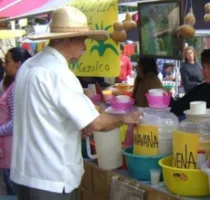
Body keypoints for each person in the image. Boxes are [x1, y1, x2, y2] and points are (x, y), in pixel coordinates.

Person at [11, 6, 141, 200]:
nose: (85, 47)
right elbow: (96, 123)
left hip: (26, 173)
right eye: (83, 40)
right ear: (70, 40)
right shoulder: (59, 73)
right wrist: (127, 117)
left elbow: (43, 116)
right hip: (51, 179)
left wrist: (75, 125)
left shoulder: (30, 65)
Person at [0, 47, 31, 195]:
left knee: (13, 192)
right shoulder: (16, 84)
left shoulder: (16, 87)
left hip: (11, 151)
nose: (4, 65)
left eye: (7, 61)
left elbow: (15, 123)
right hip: (10, 150)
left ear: (18, 64)